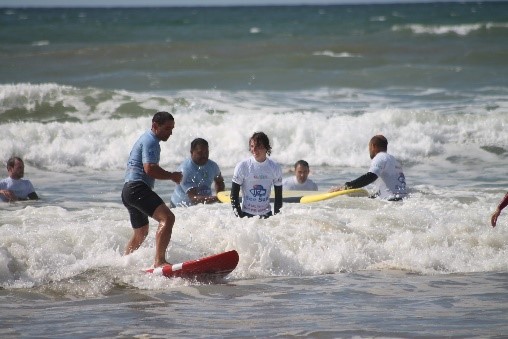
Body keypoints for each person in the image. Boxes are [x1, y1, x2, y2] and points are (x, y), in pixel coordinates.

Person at [122, 111, 183, 268]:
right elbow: (150, 169)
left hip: (128, 191)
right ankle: (159, 261)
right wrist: (172, 176)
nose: (171, 132)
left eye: (172, 129)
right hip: (137, 188)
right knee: (168, 218)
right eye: (168, 128)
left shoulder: (146, 139)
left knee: (141, 232)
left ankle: (124, 263)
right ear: (155, 126)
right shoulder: (151, 141)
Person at [329, 135, 407, 201]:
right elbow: (390, 187)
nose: (369, 150)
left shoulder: (380, 157)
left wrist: (347, 186)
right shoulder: (395, 160)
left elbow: (370, 177)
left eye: (369, 147)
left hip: (390, 202)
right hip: (401, 201)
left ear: (373, 146)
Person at [231, 131, 283, 218]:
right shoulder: (243, 166)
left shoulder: (274, 167)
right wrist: (239, 217)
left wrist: (276, 219)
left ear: (266, 148)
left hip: (266, 215)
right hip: (246, 215)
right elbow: (233, 195)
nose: (254, 150)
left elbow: (278, 197)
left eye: (258, 146)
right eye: (252, 146)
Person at [170, 138, 225, 207]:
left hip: (203, 207)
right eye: (200, 153)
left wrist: (221, 197)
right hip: (180, 208)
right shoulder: (185, 170)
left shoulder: (213, 166)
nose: (204, 156)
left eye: (206, 152)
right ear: (191, 152)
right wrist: (217, 198)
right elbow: (194, 198)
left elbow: (219, 181)